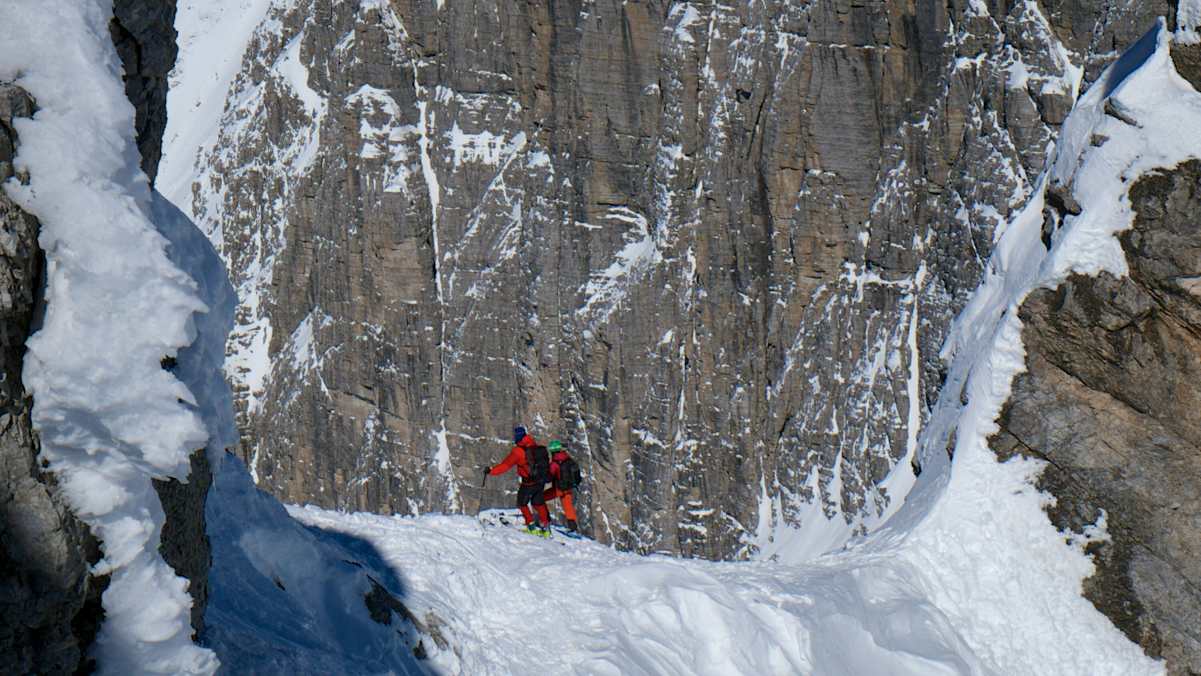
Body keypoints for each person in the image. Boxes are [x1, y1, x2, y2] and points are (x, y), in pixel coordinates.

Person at [486, 426, 551, 535]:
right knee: (538, 502)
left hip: (528, 482)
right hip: (540, 480)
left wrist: (491, 471)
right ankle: (546, 528)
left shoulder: (518, 451)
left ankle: (531, 527)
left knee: (522, 503)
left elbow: (505, 466)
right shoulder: (533, 444)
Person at [544, 440, 580, 532]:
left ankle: (544, 518)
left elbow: (549, 476)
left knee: (541, 498)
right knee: (568, 506)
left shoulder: (555, 463)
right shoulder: (568, 458)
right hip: (569, 487)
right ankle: (573, 527)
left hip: (559, 488)